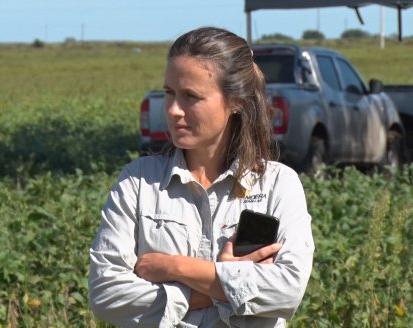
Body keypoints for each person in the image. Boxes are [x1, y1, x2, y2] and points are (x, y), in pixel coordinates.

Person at [89, 26, 314, 327]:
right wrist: (221, 285)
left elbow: (287, 290)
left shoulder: (277, 185)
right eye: (169, 93)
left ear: (236, 101)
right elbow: (106, 295)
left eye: (191, 97)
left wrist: (175, 267)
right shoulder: (138, 182)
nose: (173, 110)